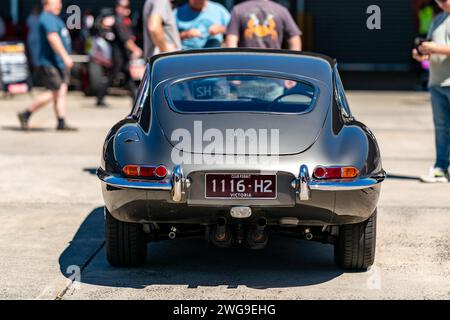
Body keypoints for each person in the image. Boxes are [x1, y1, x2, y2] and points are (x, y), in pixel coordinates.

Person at [18, 0, 76, 131]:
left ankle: (61, 121)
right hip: (51, 62)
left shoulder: (54, 18)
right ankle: (26, 113)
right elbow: (53, 38)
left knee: (61, 91)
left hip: (58, 62)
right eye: (56, 2)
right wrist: (65, 57)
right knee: (54, 92)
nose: (59, 5)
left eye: (60, 2)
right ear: (46, 4)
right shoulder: (47, 18)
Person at [413, 0, 450, 182]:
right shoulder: (438, 19)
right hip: (436, 82)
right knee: (441, 128)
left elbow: (438, 48)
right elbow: (429, 46)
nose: (442, 2)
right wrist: (423, 53)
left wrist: (436, 49)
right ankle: (440, 168)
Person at [95, 1, 143, 106]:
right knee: (113, 76)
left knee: (127, 77)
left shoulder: (124, 21)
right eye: (124, 6)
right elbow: (125, 40)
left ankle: (135, 100)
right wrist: (135, 49)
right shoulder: (118, 21)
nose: (127, 9)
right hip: (118, 55)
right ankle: (99, 98)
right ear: (118, 7)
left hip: (123, 55)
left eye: (128, 6)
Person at [225, 0, 302, 50]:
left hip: (246, 63)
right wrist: (291, 63)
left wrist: (234, 64)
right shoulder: (281, 10)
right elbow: (295, 40)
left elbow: (231, 41)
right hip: (274, 62)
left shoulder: (238, 9)